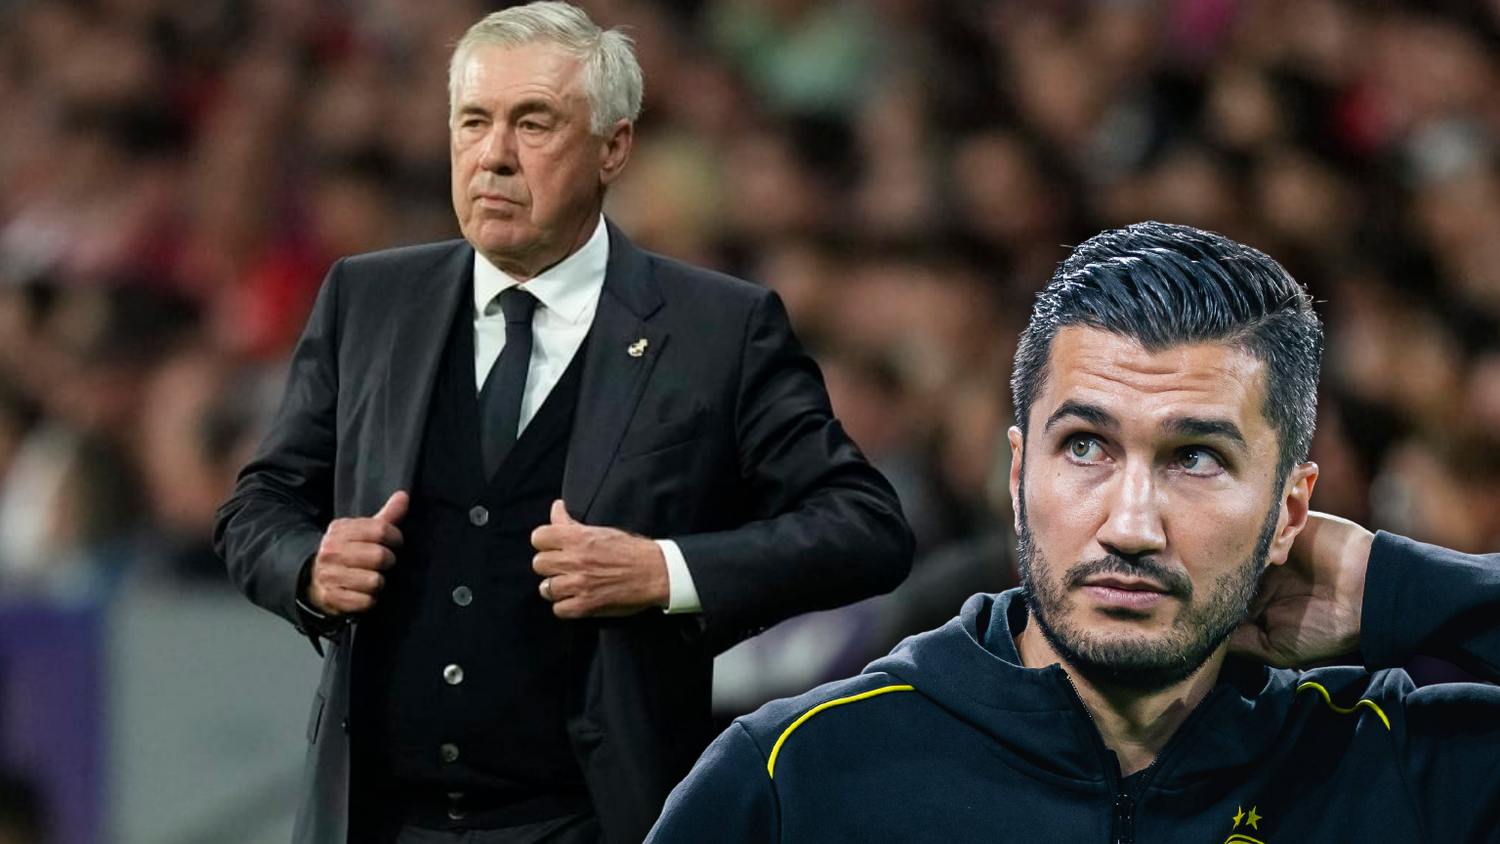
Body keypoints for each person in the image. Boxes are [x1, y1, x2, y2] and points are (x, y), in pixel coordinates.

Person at [213, 4, 913, 843]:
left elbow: (865, 528)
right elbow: (258, 506)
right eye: (473, 121)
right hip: (377, 820)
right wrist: (309, 568)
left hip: (593, 820)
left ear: (613, 146)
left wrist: (662, 571)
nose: (493, 154)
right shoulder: (368, 300)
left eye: (533, 123)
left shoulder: (716, 329)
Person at [645, 222, 1500, 843]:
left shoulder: (1394, 767)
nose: (1130, 526)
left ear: (1289, 513)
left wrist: (1394, 587)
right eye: (1086, 447)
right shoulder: (798, 776)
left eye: (1196, 458)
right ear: (1018, 477)